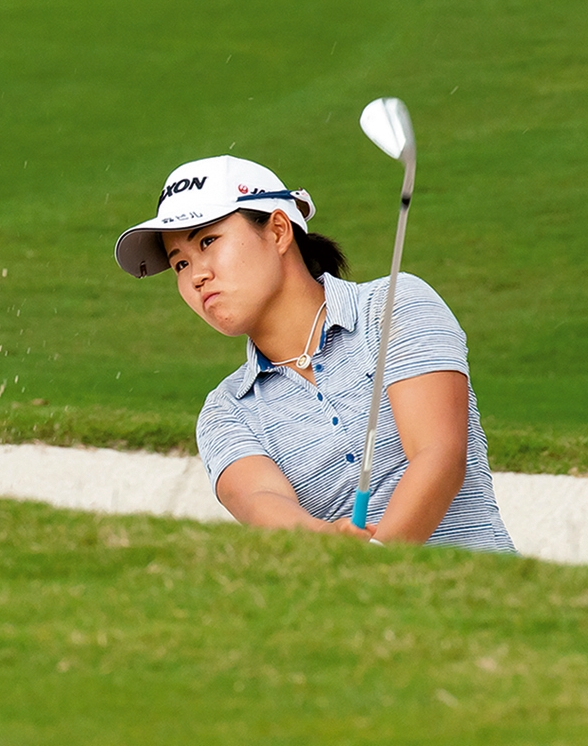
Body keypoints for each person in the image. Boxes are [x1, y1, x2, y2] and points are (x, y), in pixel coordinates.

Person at [114, 155, 514, 552]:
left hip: (488, 601)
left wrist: (373, 563)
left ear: (277, 230)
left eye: (207, 242)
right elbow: (262, 503)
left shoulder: (393, 305)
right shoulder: (226, 411)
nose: (196, 275)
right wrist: (328, 547)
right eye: (180, 263)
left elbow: (438, 455)